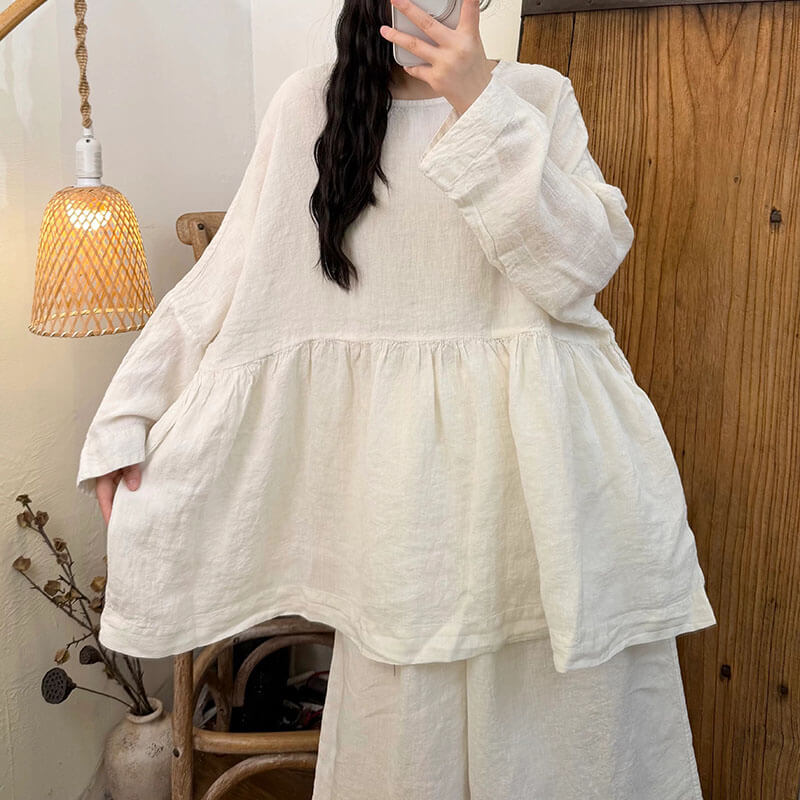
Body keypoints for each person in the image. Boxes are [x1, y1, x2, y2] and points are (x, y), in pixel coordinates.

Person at [76, 0, 716, 796]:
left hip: (546, 498)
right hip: (400, 516)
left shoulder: (537, 95)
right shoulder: (309, 106)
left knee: (574, 746)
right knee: (405, 750)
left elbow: (579, 267)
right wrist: (127, 415)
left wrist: (478, 102)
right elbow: (222, 282)